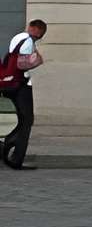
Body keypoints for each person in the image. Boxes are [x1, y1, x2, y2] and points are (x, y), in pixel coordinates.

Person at [3, 19, 46, 171]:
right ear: (34, 29)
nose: (41, 35)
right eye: (40, 31)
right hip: (21, 85)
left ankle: (10, 146)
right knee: (27, 120)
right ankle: (14, 155)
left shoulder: (18, 38)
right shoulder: (27, 40)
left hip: (12, 84)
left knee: (24, 119)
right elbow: (22, 64)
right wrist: (37, 58)